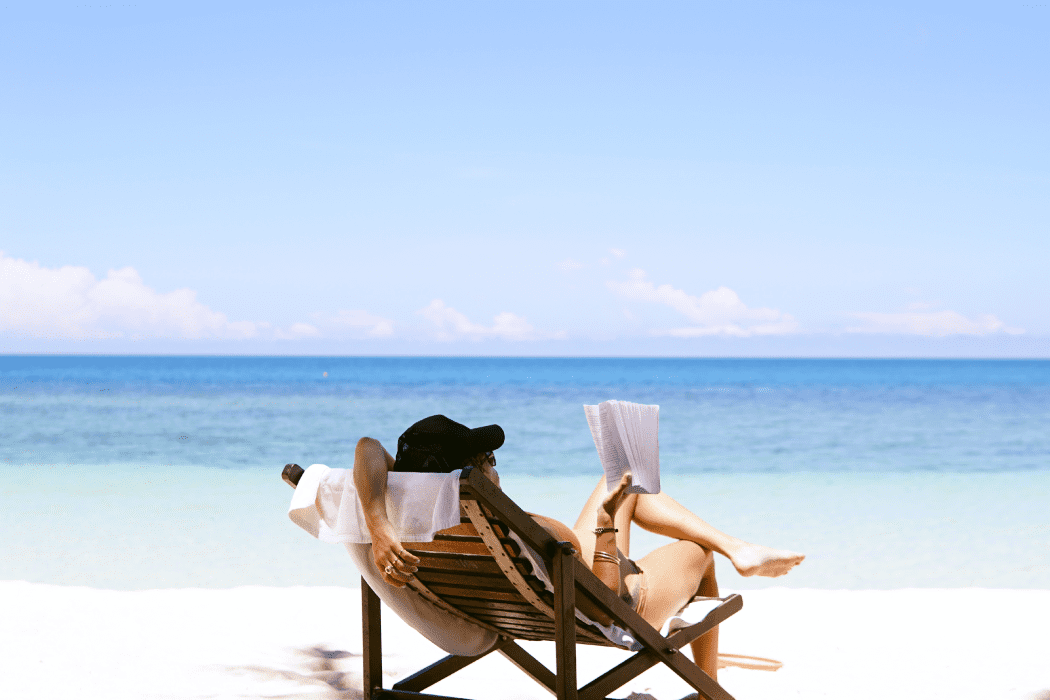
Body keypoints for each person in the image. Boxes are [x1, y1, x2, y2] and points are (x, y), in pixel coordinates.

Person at [353, 415, 805, 681]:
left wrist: (378, 528)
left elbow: (367, 446)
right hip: (611, 604)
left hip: (505, 599)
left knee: (623, 477)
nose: (494, 466)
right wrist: (605, 523)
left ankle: (738, 547)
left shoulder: (400, 511)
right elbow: (609, 609)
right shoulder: (530, 527)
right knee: (698, 552)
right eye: (487, 460)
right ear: (471, 473)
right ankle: (711, 667)